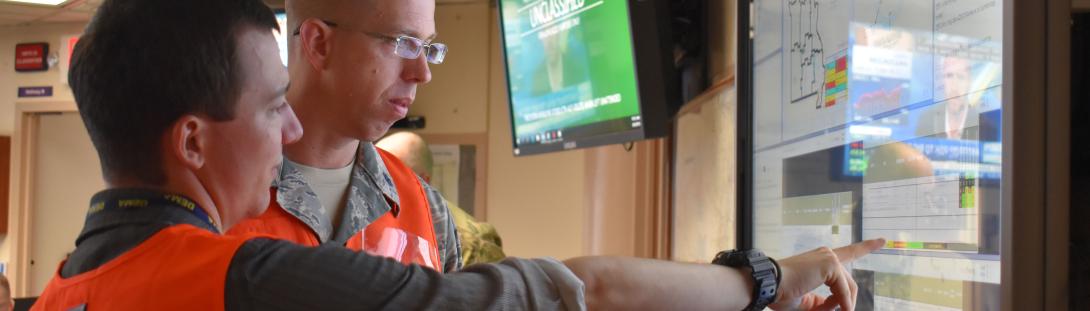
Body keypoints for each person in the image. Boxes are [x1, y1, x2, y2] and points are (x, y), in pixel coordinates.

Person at [31, 0, 884, 309]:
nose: (286, 127)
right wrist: (766, 277)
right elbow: (579, 291)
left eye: (431, 50)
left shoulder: (68, 284)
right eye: (269, 105)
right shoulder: (240, 268)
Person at [226, 0, 462, 273]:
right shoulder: (214, 193)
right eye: (403, 42)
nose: (423, 73)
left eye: (426, 47)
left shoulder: (428, 211)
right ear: (319, 44)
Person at [376, 131, 507, 265]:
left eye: (389, 179)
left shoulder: (470, 245)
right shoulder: (368, 223)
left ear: (422, 183)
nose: (378, 189)